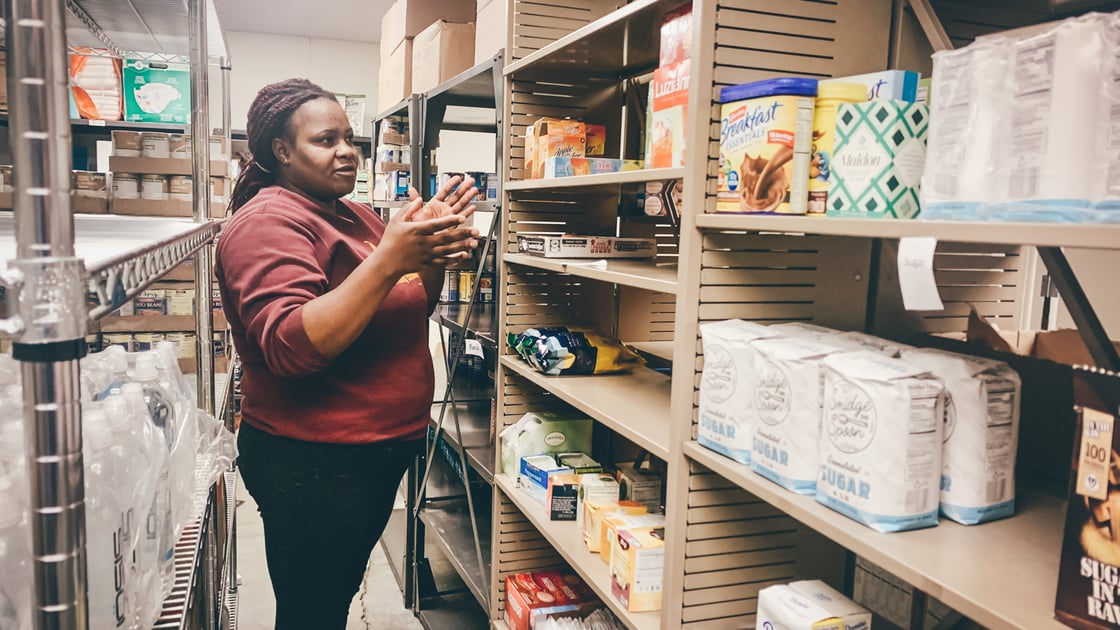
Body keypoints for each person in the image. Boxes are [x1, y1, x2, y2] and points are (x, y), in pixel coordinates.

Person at [215, 78, 480, 629]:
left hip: (369, 455)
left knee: (330, 598)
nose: (346, 152)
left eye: (350, 138)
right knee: (313, 611)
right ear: (280, 152)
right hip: (312, 462)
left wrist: (430, 248)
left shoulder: (353, 215)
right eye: (325, 140)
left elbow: (413, 302)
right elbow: (291, 345)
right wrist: (388, 259)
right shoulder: (268, 222)